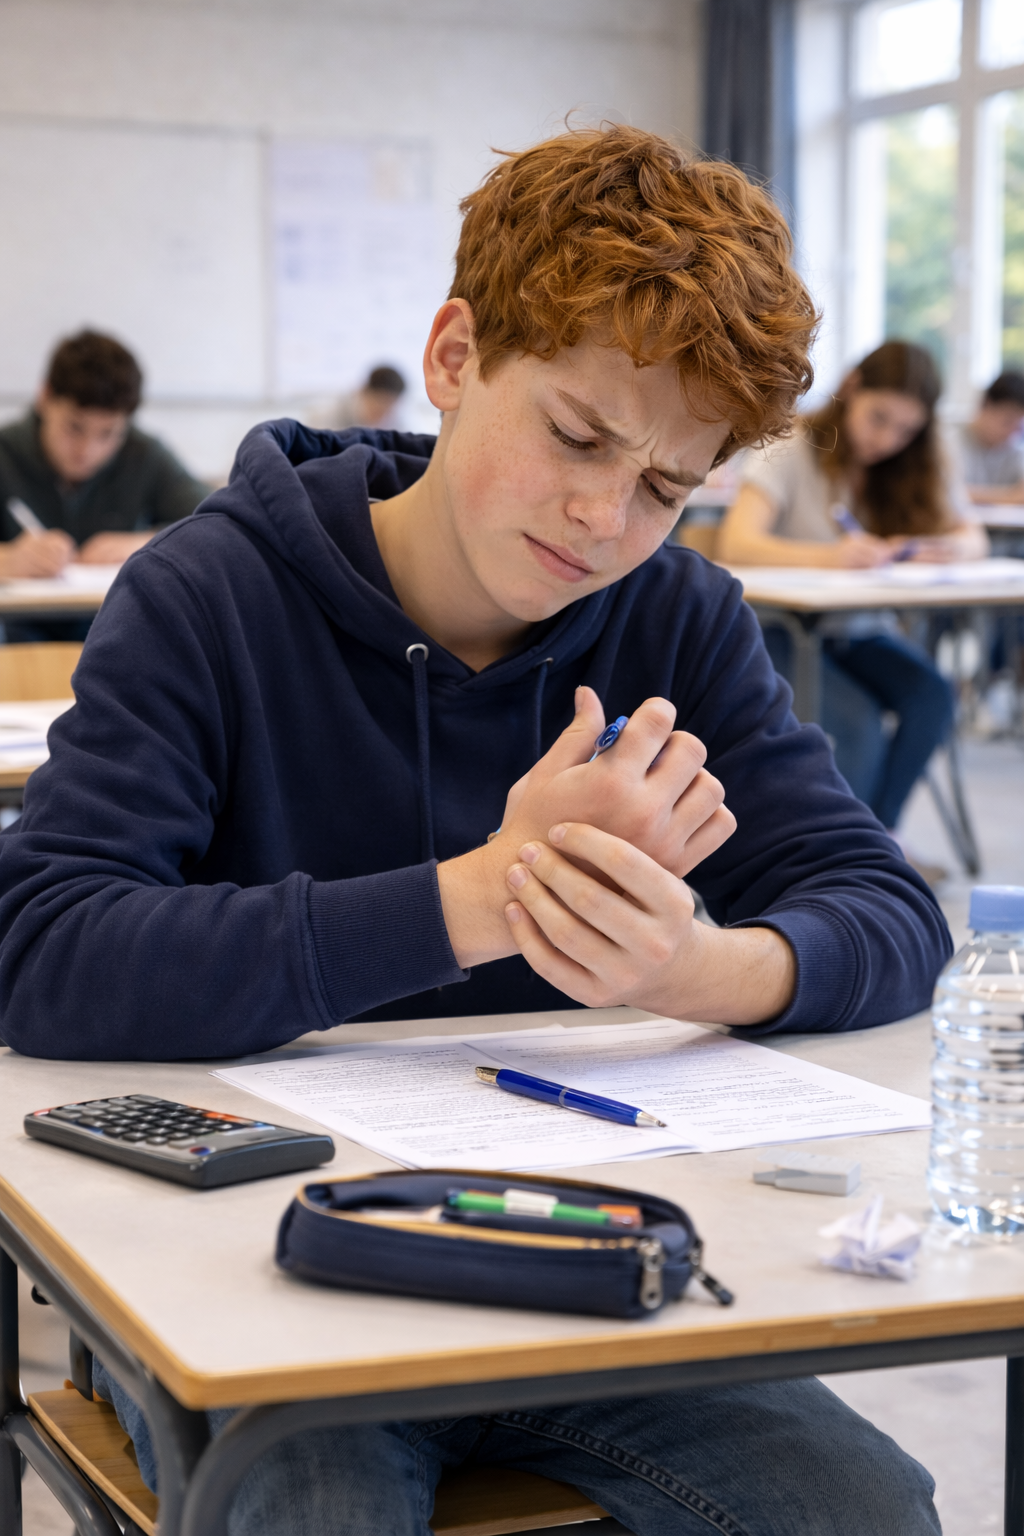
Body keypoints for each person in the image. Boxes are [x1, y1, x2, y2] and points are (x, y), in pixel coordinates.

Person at [0, 128, 946, 1535]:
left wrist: (692, 967)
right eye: (575, 435)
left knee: (863, 1506)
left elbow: (887, 910)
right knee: (313, 1504)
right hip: (267, 1268)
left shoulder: (675, 618)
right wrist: (472, 904)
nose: (600, 514)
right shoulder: (207, 596)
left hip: (577, 1261)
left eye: (663, 487)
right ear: (454, 358)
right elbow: (43, 946)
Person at [719, 340, 986, 850]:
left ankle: (879, 839)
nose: (887, 439)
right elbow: (737, 541)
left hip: (857, 630)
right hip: (782, 629)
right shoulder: (792, 445)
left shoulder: (915, 463)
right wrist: (830, 556)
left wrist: (936, 547)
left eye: (906, 430)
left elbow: (972, 537)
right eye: (879, 418)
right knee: (860, 725)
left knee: (931, 695)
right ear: (852, 389)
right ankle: (849, 853)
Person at [0, 329, 208, 640]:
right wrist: (6, 559)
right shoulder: (6, 451)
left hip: (115, 640)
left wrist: (145, 545)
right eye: (75, 427)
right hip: (16, 650)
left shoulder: (144, 454)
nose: (88, 450)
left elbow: (215, 524)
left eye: (108, 433)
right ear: (45, 398)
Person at [959, 370, 1024, 504]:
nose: (1011, 432)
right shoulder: (948, 440)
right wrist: (1008, 497)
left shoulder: (1014, 448)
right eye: (1008, 421)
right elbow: (941, 492)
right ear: (987, 405)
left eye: (1018, 426)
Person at [327, 363, 407, 430]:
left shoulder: (398, 424)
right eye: (380, 402)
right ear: (364, 392)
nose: (382, 413)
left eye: (389, 407)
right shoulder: (333, 415)